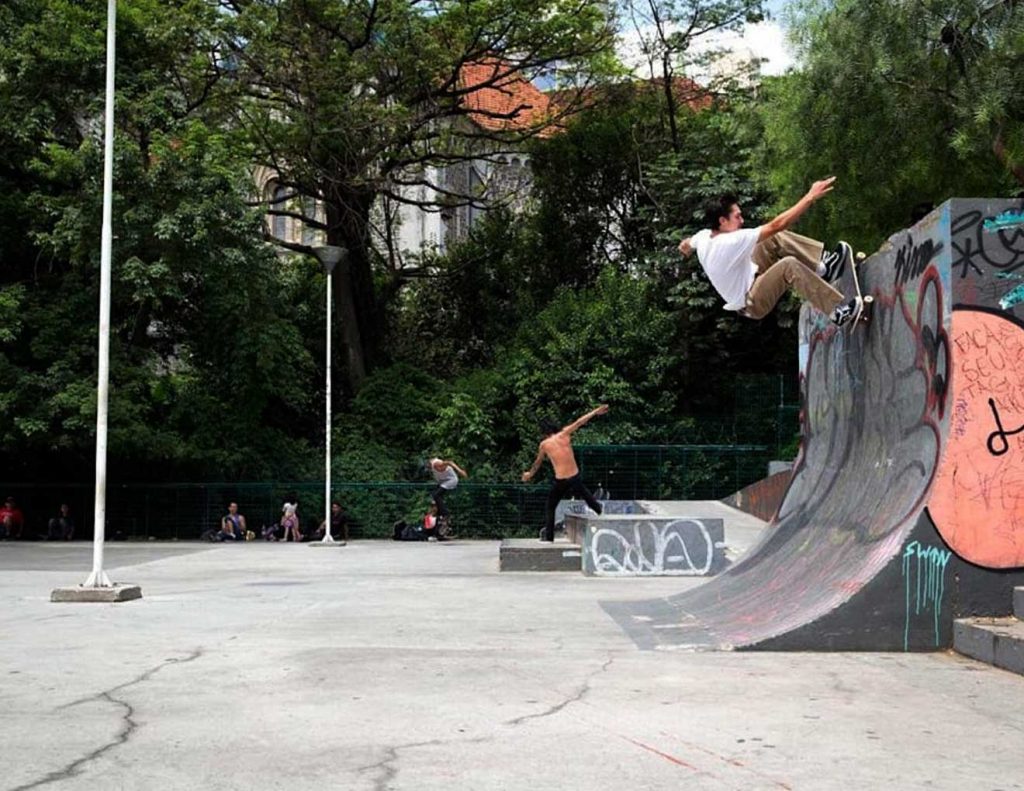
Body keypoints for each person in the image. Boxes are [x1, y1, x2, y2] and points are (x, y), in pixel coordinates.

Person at [677, 177, 862, 326]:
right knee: (788, 265)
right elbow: (779, 224)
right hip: (752, 302)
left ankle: (823, 270)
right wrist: (810, 197)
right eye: (737, 216)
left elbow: (687, 243)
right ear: (722, 221)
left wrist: (684, 247)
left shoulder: (703, 237)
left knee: (770, 238)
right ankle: (836, 312)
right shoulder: (729, 242)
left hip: (753, 276)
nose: (742, 220)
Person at [522, 405, 608, 542]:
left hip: (561, 480)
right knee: (587, 496)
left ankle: (549, 538)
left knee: (550, 506)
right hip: (574, 477)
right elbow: (580, 422)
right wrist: (595, 412)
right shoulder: (565, 433)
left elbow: (537, 463)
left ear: (544, 432)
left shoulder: (544, 444)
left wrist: (529, 475)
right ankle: (600, 512)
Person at [428, 457, 468, 525]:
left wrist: (460, 471)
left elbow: (450, 462)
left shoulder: (438, 464)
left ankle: (446, 514)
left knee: (436, 495)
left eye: (440, 468)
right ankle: (439, 514)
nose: (440, 470)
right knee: (434, 496)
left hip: (451, 480)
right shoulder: (433, 466)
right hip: (442, 481)